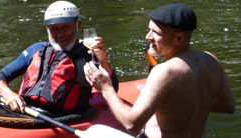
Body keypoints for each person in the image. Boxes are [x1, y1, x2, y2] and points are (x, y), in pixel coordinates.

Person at [83, 3, 235, 138]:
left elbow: (132, 126)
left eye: (155, 32)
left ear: (179, 37)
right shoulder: (211, 59)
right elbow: (228, 107)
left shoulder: (165, 71)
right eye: (149, 30)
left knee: (94, 131)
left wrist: (106, 88)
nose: (148, 37)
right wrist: (185, 104)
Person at [0, 1, 118, 116]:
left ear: (77, 26)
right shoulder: (36, 49)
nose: (60, 34)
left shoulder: (87, 54)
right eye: (54, 29)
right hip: (23, 113)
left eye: (65, 28)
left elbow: (113, 89)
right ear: (47, 29)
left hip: (62, 118)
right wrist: (8, 94)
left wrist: (103, 61)